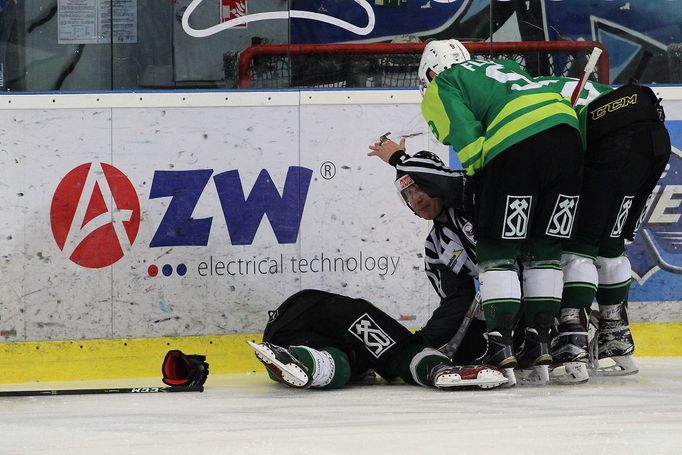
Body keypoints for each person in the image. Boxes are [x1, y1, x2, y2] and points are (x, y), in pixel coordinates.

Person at [417, 39, 585, 385]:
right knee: (545, 249)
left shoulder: (443, 83)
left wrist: (482, 183)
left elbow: (466, 137)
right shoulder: (509, 68)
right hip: (568, 140)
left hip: (517, 144)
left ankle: (501, 346)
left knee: (497, 250)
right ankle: (540, 344)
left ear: (431, 71)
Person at [538, 77, 672, 381]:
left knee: (578, 249)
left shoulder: (527, 96)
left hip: (617, 141)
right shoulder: (566, 85)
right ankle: (616, 336)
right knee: (611, 245)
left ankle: (572, 341)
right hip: (654, 141)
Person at [367, 143, 488, 367]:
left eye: (421, 188)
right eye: (409, 195)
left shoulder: (468, 197)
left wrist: (399, 159)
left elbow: (448, 181)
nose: (417, 199)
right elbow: (456, 304)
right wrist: (419, 345)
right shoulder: (434, 247)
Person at [247, 289, 507, 390]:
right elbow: (401, 354)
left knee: (337, 363)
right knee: (396, 354)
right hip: (318, 307)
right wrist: (434, 363)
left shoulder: (350, 355)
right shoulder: (357, 316)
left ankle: (303, 360)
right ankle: (438, 368)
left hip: (279, 333)